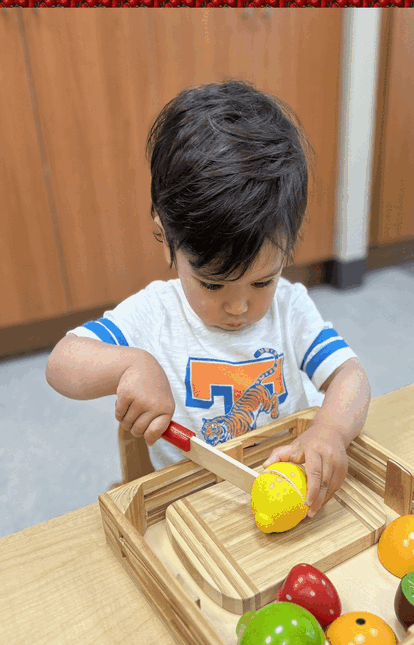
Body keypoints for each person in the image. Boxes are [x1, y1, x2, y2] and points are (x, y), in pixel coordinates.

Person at [46, 80, 371, 518]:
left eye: (262, 282)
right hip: (193, 509)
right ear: (165, 238)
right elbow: (61, 363)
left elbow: (351, 376)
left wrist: (330, 429)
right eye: (213, 285)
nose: (239, 307)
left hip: (290, 496)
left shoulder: (290, 309)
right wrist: (131, 365)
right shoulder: (154, 314)